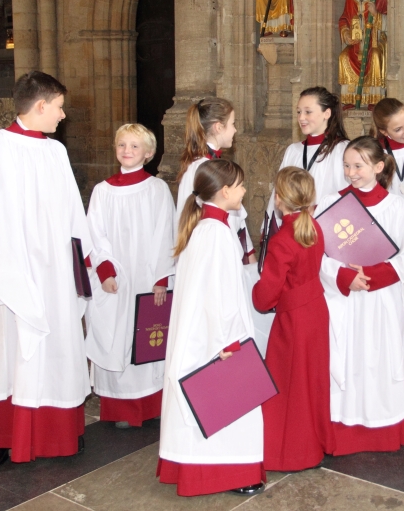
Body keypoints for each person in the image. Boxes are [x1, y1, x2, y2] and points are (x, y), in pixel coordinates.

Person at [0, 71, 92, 466]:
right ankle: (0, 436)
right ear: (41, 105)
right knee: (5, 350)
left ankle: (58, 433)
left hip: (52, 271)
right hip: (9, 269)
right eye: (60, 107)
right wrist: (1, 268)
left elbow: (71, 212)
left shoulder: (55, 152)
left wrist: (83, 261)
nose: (63, 116)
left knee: (54, 347)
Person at [158, 160, 265, 496]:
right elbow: (220, 296)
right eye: (241, 186)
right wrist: (229, 341)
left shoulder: (204, 228)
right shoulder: (216, 234)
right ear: (225, 191)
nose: (245, 191)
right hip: (218, 336)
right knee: (230, 405)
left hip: (204, 332)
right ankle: (233, 474)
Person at [317, 136, 404, 455]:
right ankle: (343, 429)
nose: (351, 172)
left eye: (358, 166)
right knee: (346, 360)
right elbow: (317, 255)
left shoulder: (395, 206)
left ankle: (384, 429)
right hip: (345, 299)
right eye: (346, 165)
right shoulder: (330, 203)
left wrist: (375, 275)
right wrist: (345, 276)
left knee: (378, 361)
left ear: (378, 167)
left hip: (381, 301)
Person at [84, 124, 175, 429]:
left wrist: (162, 277)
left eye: (135, 146)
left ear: (148, 153)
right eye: (122, 145)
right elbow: (95, 235)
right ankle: (121, 408)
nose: (127, 151)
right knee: (116, 336)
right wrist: (105, 271)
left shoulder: (156, 189)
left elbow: (165, 232)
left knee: (149, 334)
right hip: (117, 279)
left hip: (147, 278)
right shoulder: (102, 191)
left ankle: (152, 403)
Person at [251, 167, 335, 471]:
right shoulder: (314, 227)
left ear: (278, 198)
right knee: (311, 380)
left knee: (286, 385)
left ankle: (288, 452)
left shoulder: (283, 238)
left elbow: (266, 295)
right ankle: (314, 443)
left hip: (293, 318)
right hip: (316, 310)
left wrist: (254, 293)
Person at [176, 98, 255, 264]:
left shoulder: (214, 165)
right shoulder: (200, 168)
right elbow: (188, 220)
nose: (235, 130)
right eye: (232, 124)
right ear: (219, 127)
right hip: (209, 257)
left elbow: (236, 217)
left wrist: (249, 255)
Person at [268, 87, 349, 218]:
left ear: (326, 113)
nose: (301, 117)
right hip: (292, 227)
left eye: (308, 112)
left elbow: (347, 194)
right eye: (299, 112)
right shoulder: (293, 150)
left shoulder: (342, 149)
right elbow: (279, 192)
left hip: (325, 226)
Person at [338, 0, 388, 109]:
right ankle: (352, 98)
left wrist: (376, 15)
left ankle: (374, 98)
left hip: (375, 39)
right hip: (356, 41)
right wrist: (346, 34)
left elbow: (392, 20)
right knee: (344, 57)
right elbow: (345, 18)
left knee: (374, 56)